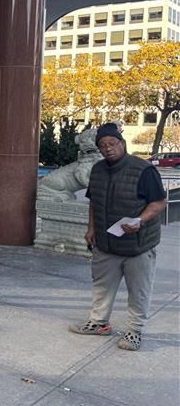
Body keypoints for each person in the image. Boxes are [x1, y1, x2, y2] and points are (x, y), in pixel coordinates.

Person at [70, 123, 167, 351]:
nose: (108, 149)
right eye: (103, 146)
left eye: (112, 144)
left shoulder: (144, 170)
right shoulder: (98, 170)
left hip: (138, 245)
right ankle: (99, 323)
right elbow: (94, 200)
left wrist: (141, 220)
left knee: (138, 290)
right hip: (106, 243)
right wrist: (91, 228)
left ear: (122, 144)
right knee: (102, 286)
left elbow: (159, 202)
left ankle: (134, 331)